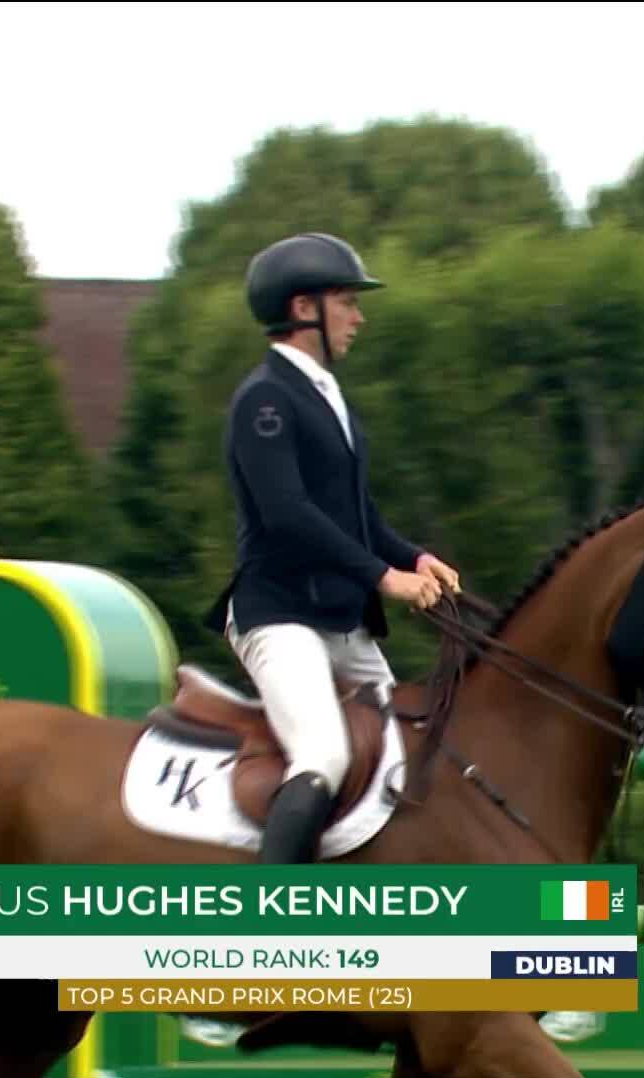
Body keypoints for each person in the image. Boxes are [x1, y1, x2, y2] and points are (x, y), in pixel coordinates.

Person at [202, 232, 461, 865]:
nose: (357, 316)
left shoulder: (327, 395)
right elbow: (288, 516)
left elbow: (356, 517)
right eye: (346, 301)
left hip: (340, 621)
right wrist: (384, 579)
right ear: (302, 309)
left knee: (412, 744)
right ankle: (265, 925)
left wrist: (414, 559)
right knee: (325, 753)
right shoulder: (264, 399)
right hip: (279, 615)